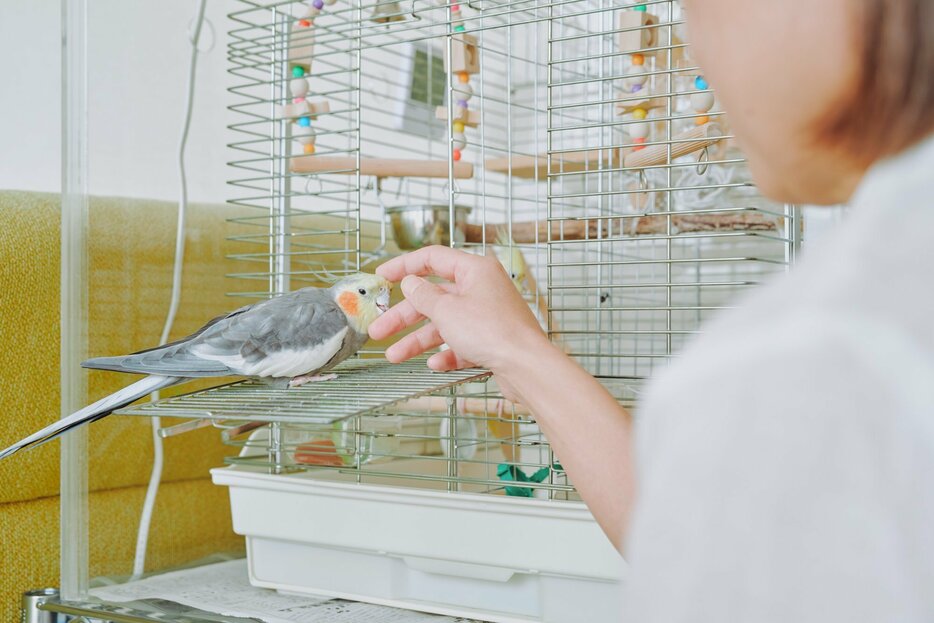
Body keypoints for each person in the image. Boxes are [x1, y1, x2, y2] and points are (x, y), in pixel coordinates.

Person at [369, 0, 934, 619]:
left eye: (704, 12)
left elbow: (715, 567)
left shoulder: (810, 350)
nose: (699, 54)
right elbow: (688, 527)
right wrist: (517, 353)